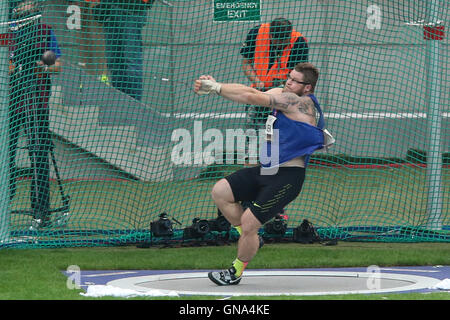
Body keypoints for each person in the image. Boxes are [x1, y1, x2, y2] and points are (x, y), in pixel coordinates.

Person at [194, 62, 332, 285]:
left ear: (307, 87)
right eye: (289, 77)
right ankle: (251, 240)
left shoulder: (298, 102)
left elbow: (251, 97)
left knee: (249, 222)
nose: (288, 81)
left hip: (287, 178)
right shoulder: (283, 93)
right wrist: (216, 88)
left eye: (295, 80)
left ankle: (235, 272)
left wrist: (217, 86)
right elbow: (250, 93)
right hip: (266, 170)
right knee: (220, 191)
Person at [8, 0, 62, 229]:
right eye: (22, 3)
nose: (28, 5)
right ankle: (4, 206)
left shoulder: (45, 31)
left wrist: (43, 66)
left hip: (36, 102)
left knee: (39, 154)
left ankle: (41, 212)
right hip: (9, 104)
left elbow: (57, 64)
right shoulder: (6, 31)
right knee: (6, 158)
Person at [240, 17, 309, 128]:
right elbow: (246, 64)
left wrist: (281, 88)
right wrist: (257, 82)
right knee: (253, 135)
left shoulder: (299, 42)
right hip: (258, 94)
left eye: (285, 41)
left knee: (279, 138)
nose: (281, 45)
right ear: (271, 36)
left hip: (284, 97)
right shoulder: (256, 33)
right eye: (279, 42)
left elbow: (300, 77)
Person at [90, 0, 155, 101]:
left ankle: (134, 106)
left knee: (131, 61)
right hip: (110, 9)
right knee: (114, 62)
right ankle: (119, 104)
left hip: (132, 9)